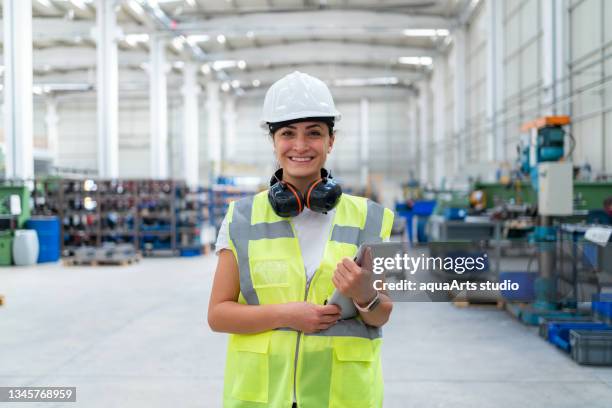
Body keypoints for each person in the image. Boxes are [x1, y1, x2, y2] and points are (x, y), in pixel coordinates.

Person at [208, 71, 394, 408]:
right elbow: (218, 314)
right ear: (274, 141)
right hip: (262, 397)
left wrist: (365, 294)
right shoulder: (242, 217)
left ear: (330, 141)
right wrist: (286, 315)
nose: (300, 145)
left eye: (314, 133)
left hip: (342, 397)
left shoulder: (370, 217)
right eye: (287, 133)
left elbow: (381, 315)